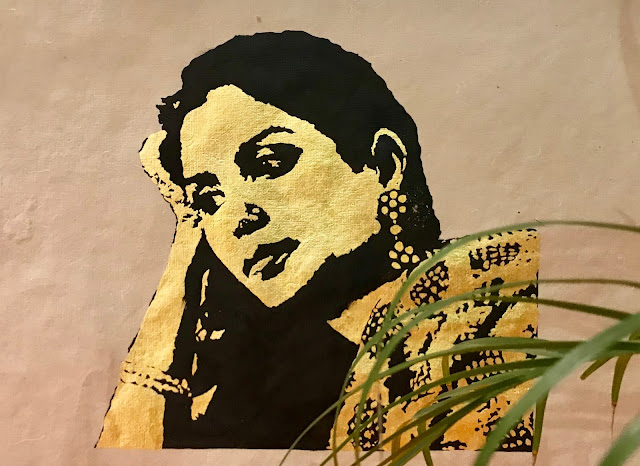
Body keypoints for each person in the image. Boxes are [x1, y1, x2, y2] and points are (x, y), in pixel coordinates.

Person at [97, 31, 539, 451]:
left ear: (384, 164)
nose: (239, 219)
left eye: (271, 163)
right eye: (209, 198)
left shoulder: (496, 297)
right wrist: (187, 243)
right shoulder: (260, 379)